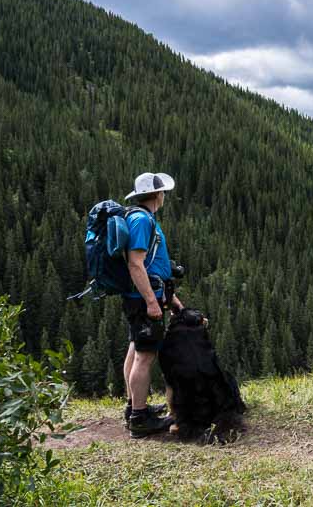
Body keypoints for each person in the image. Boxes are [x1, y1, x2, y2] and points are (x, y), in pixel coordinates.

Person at [121, 172, 184, 438]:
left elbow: (148, 264)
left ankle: (134, 407)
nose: (164, 196)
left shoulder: (139, 218)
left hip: (145, 296)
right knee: (146, 356)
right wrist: (151, 301)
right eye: (163, 192)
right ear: (157, 195)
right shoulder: (141, 221)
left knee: (136, 349)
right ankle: (139, 418)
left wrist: (171, 300)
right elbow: (136, 263)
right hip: (144, 299)